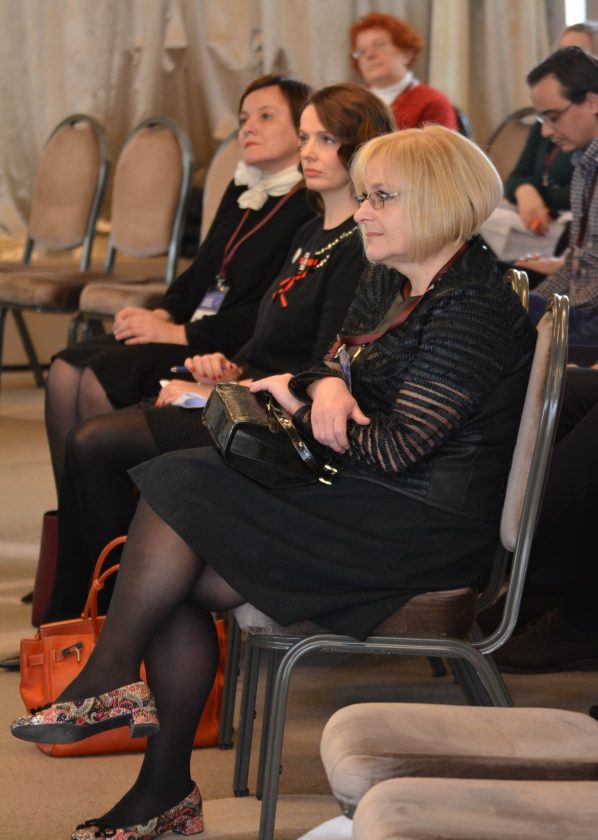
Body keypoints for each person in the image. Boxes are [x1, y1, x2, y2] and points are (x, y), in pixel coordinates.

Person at [10, 126, 535, 839]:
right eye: (364, 196)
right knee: (175, 556)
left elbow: (397, 450)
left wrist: (312, 402)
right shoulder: (393, 276)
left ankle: (121, 704)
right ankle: (158, 784)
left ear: (440, 202)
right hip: (363, 492)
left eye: (381, 198)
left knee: (180, 488)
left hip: (416, 527)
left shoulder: (473, 306)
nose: (363, 211)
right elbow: (328, 363)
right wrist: (322, 388)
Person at [42, 83, 395, 622]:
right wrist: (223, 368)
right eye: (305, 138)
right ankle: (90, 608)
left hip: (278, 417)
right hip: (247, 386)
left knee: (95, 442)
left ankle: (110, 611)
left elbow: (323, 365)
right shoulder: (310, 231)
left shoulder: (357, 245)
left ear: (361, 147)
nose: (308, 152)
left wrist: (224, 388)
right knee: (94, 431)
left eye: (326, 140)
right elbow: (266, 333)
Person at [44, 74, 315, 493]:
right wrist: (162, 313)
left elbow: (267, 313)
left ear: (302, 130)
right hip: (191, 329)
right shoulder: (242, 188)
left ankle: (113, 517)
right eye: (243, 118)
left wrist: (177, 332)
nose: (248, 128)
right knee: (64, 370)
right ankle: (74, 512)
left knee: (100, 377)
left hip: (224, 347)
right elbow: (202, 271)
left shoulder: (309, 205)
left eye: (265, 116)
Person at [481, 23, 597, 265]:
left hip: (555, 225)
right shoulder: (579, 153)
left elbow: (586, 276)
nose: (546, 130)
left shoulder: (585, 155)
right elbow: (518, 175)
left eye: (574, 55)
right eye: (559, 52)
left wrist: (540, 200)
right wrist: (525, 191)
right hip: (545, 230)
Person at [513, 47, 598, 345]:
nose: (546, 132)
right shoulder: (584, 164)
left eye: (553, 117)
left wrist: (547, 318)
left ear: (592, 102)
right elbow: (577, 262)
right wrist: (526, 305)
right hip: (578, 316)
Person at [349, 11, 458, 131]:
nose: (369, 55)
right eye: (361, 51)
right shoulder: (350, 103)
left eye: (379, 45)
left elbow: (439, 144)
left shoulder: (433, 103)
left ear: (406, 53)